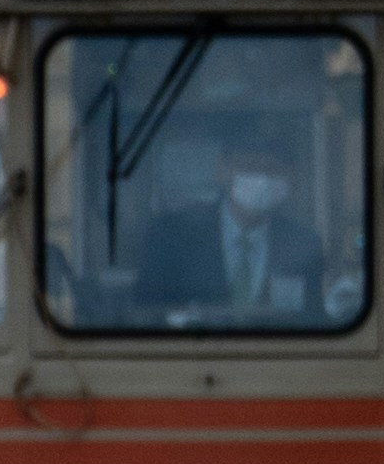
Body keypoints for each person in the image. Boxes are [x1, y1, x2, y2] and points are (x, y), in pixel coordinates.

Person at [130, 100, 335, 326]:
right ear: (222, 170)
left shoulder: (303, 244)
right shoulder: (170, 236)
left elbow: (313, 322)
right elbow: (147, 318)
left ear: (291, 179)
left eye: (273, 169)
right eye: (248, 166)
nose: (262, 178)